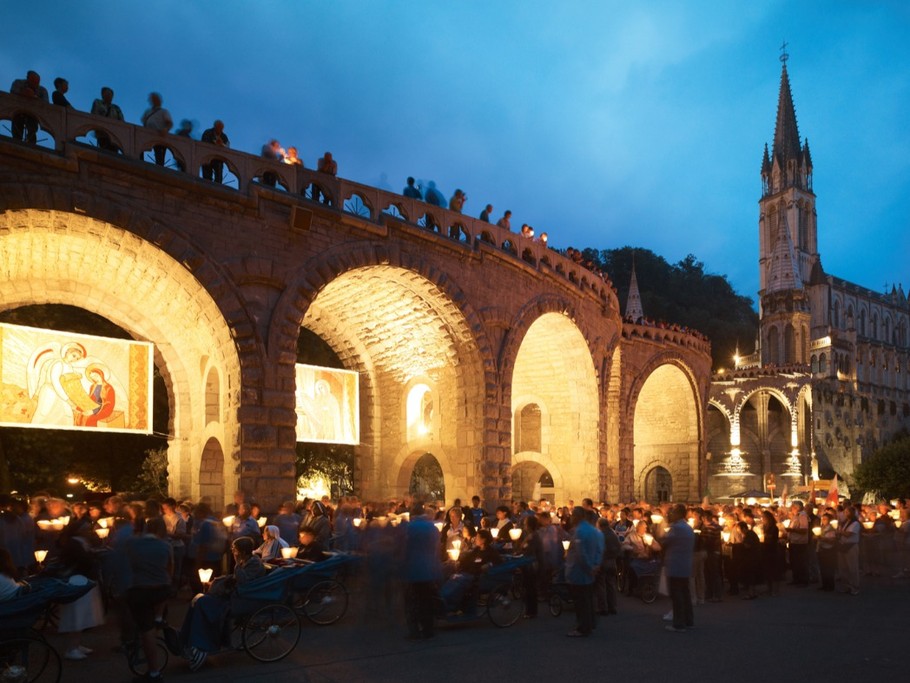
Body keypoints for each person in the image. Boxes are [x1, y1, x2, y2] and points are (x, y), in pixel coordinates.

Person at [180, 537, 266, 671]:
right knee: (197, 600)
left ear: (242, 552)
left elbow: (243, 581)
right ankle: (188, 640)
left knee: (202, 603)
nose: (232, 550)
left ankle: (200, 645)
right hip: (232, 595)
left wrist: (236, 563)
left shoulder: (254, 563)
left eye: (234, 549)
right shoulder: (245, 560)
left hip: (240, 599)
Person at [124, 516, 172, 683]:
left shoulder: (132, 543)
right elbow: (169, 570)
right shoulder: (166, 545)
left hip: (141, 590)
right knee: (153, 620)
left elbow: (127, 565)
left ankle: (154, 672)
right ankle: (159, 618)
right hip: (161, 590)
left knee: (146, 630)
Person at [404, 502, 441, 640]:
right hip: (429, 568)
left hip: (413, 569)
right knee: (427, 601)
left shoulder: (410, 527)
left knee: (413, 601)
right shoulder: (432, 528)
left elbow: (405, 548)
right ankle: (428, 629)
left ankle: (414, 631)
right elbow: (437, 549)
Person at [564, 507, 603, 637]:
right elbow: (599, 548)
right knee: (588, 599)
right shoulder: (593, 530)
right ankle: (591, 624)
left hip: (579, 571)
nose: (570, 518)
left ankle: (583, 628)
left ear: (577, 516)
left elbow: (581, 554)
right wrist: (596, 564)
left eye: (572, 515)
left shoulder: (579, 532)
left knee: (581, 602)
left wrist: (589, 568)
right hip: (590, 570)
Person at [662, 504, 695, 632]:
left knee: (677, 595)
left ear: (679, 514)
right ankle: (689, 620)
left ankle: (679, 623)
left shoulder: (676, 528)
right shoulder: (688, 527)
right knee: (685, 594)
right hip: (685, 565)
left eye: (674, 512)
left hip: (675, 565)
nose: (671, 514)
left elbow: (665, 541)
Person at [10, 70, 49, 144]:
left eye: (37, 82)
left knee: (32, 130)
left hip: (34, 114)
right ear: (27, 78)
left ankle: (31, 144)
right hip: (18, 111)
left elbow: (46, 104)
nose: (35, 84)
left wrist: (35, 97)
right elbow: (12, 93)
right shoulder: (18, 82)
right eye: (33, 81)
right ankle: (16, 143)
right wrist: (23, 93)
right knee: (17, 130)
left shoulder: (42, 90)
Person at [141, 92, 173, 166]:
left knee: (159, 155)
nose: (154, 101)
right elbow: (144, 121)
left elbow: (169, 123)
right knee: (140, 149)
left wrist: (166, 129)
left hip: (159, 135)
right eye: (153, 99)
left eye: (155, 99)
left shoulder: (164, 111)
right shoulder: (147, 112)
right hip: (147, 134)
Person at [90, 87, 124, 152]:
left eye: (111, 95)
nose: (109, 96)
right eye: (107, 94)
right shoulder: (97, 102)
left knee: (114, 153)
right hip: (102, 133)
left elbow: (122, 121)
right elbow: (94, 115)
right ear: (102, 95)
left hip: (115, 135)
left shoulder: (116, 108)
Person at [837, 505, 861, 595]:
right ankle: (846, 586)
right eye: (845, 512)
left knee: (852, 568)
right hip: (843, 546)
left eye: (848, 512)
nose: (846, 514)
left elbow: (848, 534)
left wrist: (839, 532)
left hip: (851, 546)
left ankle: (855, 587)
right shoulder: (845, 522)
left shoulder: (855, 523)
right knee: (843, 568)